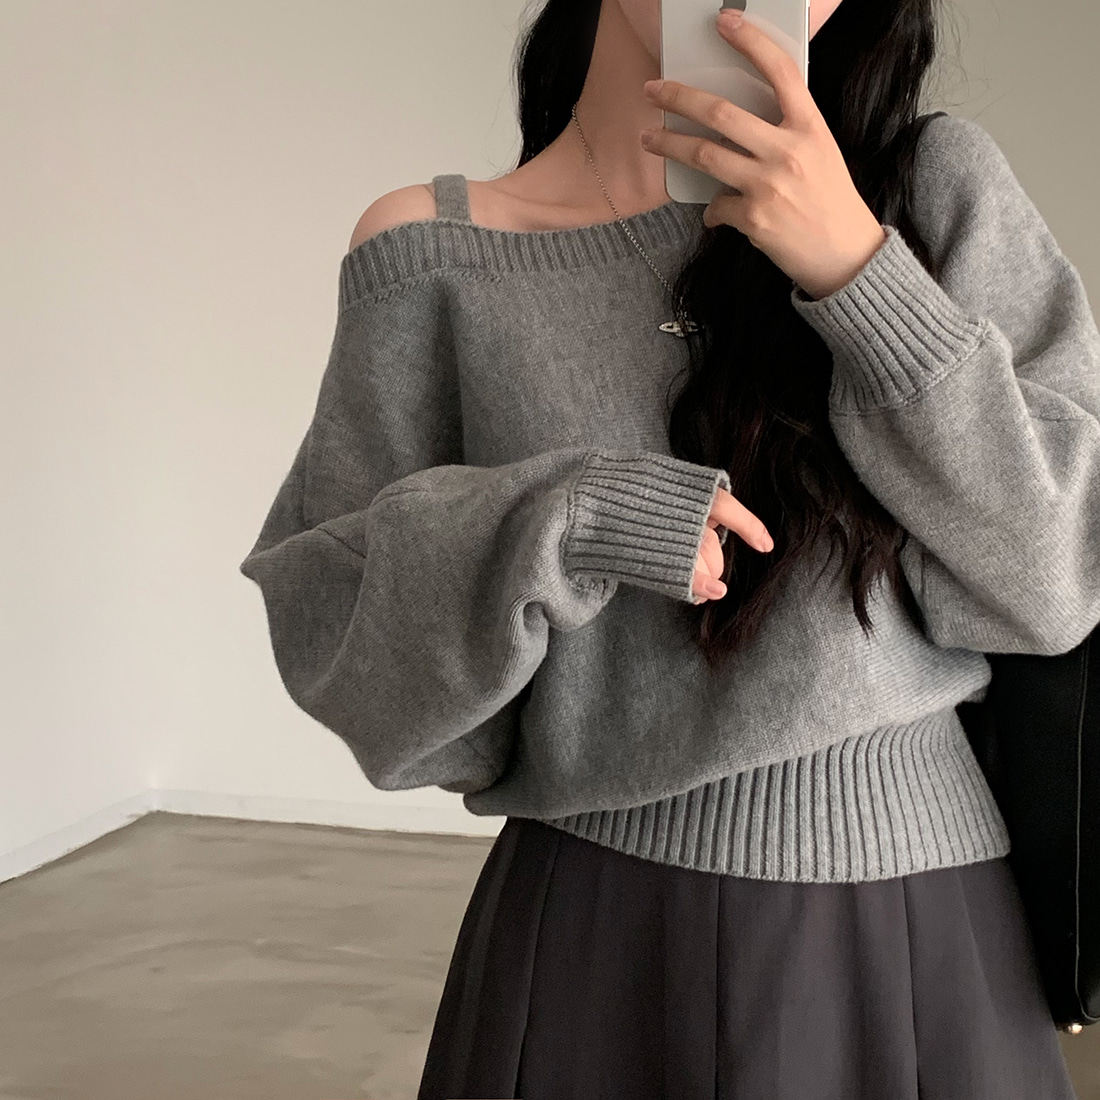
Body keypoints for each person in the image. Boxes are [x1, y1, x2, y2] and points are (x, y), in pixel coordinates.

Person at [239, 0, 1099, 1095]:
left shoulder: (925, 187)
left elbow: (1056, 576)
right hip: (597, 938)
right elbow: (345, 646)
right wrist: (563, 518)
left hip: (922, 930)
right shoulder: (430, 256)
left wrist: (859, 278)